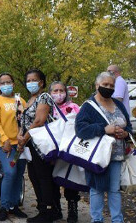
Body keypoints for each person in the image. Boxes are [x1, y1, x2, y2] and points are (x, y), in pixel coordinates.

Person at [75, 72, 131, 223]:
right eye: (105, 85)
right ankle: (97, 220)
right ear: (97, 85)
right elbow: (80, 129)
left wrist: (125, 133)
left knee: (114, 190)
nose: (108, 87)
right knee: (97, 189)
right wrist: (104, 129)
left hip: (117, 155)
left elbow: (129, 125)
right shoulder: (89, 106)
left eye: (112, 85)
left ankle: (117, 220)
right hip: (98, 156)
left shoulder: (118, 104)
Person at [18, 69, 61, 223]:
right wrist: (20, 136)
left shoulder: (44, 97)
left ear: (41, 82)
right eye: (28, 80)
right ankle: (50, 209)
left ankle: (47, 211)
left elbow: (39, 120)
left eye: (33, 80)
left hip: (41, 145)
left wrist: (24, 138)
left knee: (43, 177)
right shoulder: (28, 101)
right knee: (34, 176)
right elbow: (24, 122)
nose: (30, 83)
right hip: (30, 145)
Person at [0, 73, 28, 221]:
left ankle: (14, 205)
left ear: (13, 84)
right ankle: (4, 207)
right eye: (3, 83)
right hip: (6, 145)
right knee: (10, 172)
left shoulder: (20, 101)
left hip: (21, 145)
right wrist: (3, 140)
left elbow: (24, 121)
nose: (6, 85)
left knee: (18, 175)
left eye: (9, 82)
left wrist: (23, 140)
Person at [48, 81, 80, 223]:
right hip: (52, 150)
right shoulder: (47, 108)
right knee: (53, 181)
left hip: (69, 150)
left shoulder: (73, 107)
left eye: (61, 90)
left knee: (70, 181)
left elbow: (80, 126)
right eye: (55, 90)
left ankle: (72, 209)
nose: (59, 93)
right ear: (50, 93)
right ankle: (56, 209)